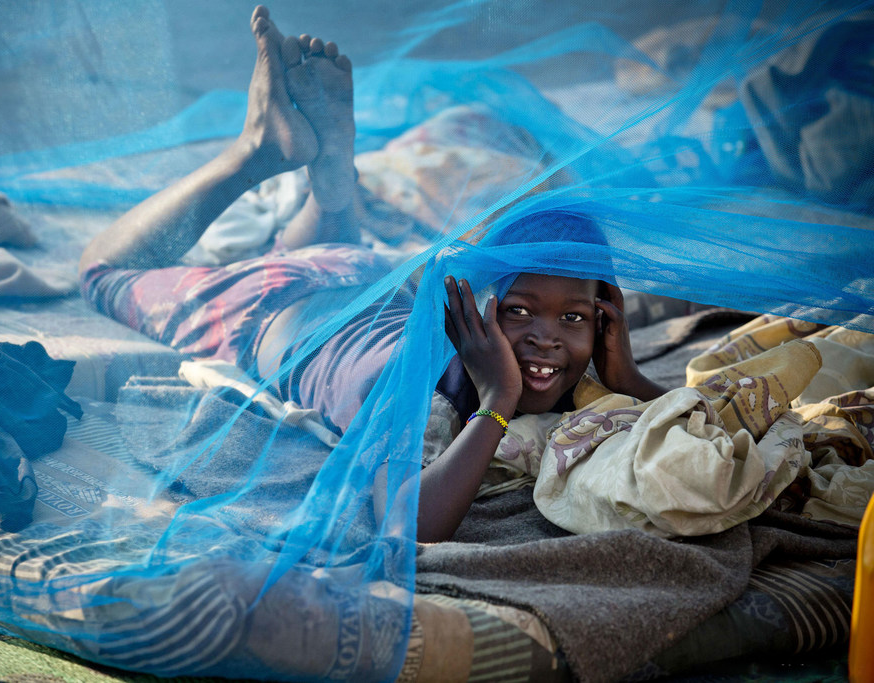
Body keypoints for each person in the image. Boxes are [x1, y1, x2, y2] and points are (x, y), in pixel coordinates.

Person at [79, 5, 666, 543]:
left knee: (334, 256)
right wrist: (498, 400)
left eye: (574, 318)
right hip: (269, 306)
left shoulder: (581, 373)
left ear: (605, 321)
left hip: (372, 278)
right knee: (103, 272)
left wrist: (629, 377)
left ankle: (334, 191)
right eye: (518, 311)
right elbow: (409, 524)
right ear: (475, 310)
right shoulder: (410, 386)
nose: (546, 337)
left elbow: (712, 426)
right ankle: (255, 152)